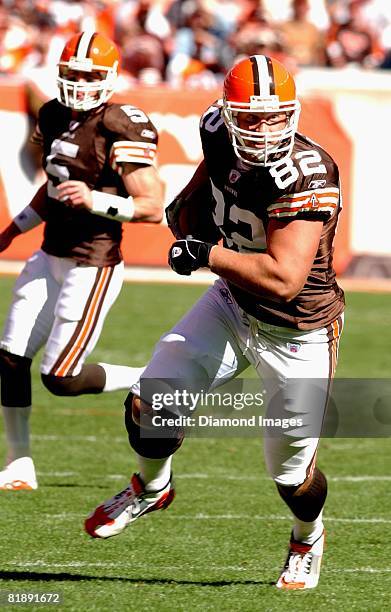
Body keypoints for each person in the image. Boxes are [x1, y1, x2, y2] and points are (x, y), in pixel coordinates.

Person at [84, 54, 344, 591]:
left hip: (296, 328)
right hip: (232, 303)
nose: (265, 128)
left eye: (277, 116)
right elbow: (207, 185)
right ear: (228, 113)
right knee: (151, 398)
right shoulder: (214, 129)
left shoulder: (308, 171)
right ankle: (151, 487)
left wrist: (205, 252)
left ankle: (306, 535)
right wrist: (186, 213)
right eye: (251, 117)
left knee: (291, 476)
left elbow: (282, 278)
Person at [0, 31, 164, 491]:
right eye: (73, 73)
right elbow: (53, 188)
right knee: (10, 358)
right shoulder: (52, 113)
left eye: (91, 75)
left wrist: (97, 201)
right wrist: (12, 232)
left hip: (92, 263)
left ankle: (152, 379)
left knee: (61, 378)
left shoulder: (119, 123)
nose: (80, 83)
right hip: (49, 252)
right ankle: (20, 463)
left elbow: (153, 206)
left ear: (109, 78)